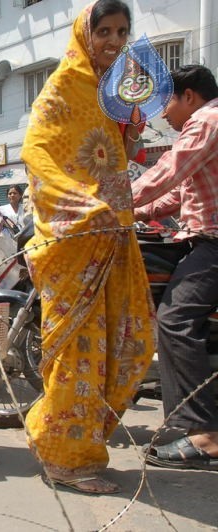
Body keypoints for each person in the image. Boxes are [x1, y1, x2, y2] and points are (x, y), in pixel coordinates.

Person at [20, 0, 155, 494]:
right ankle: (66, 458)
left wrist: (133, 130)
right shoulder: (62, 87)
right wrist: (77, 203)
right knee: (80, 353)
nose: (115, 41)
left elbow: (116, 157)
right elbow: (35, 149)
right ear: (85, 32)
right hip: (75, 241)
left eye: (122, 31)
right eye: (105, 31)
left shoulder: (117, 92)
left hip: (117, 234)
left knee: (130, 343)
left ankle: (69, 436)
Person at [131, 65, 218, 470]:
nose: (163, 113)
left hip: (213, 244)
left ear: (188, 96)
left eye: (166, 101)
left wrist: (113, 199)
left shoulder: (206, 119)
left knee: (174, 320)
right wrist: (132, 208)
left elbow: (169, 171)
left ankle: (201, 434)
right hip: (201, 238)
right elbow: (177, 195)